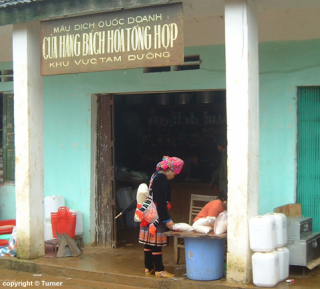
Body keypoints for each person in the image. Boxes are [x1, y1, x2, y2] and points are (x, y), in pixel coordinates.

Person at [139, 156, 184, 278]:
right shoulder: (162, 180)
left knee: (148, 242)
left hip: (147, 213)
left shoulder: (154, 175)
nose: (174, 176)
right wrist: (167, 220)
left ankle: (149, 268)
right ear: (169, 170)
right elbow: (161, 201)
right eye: (174, 173)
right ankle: (159, 270)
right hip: (156, 215)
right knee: (155, 243)